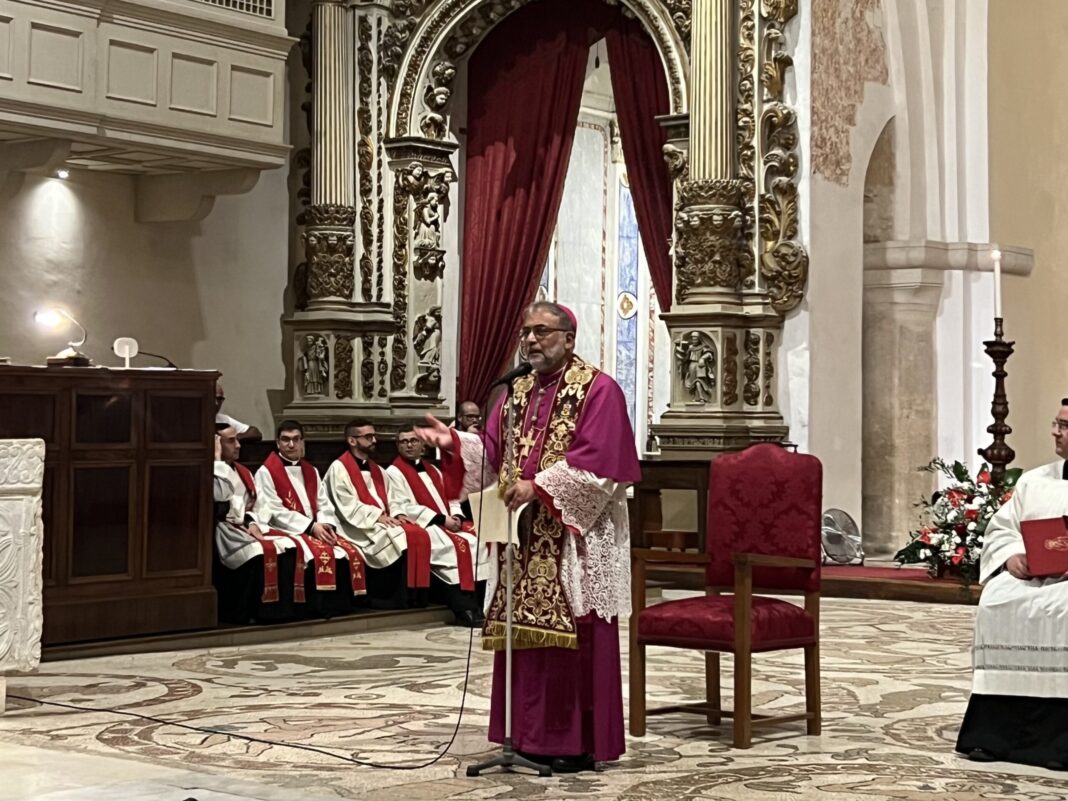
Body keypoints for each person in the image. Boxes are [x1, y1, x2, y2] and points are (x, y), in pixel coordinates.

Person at [416, 300, 641, 773]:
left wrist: (538, 486)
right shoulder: (515, 391)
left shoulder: (598, 389)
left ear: (569, 338)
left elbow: (602, 464)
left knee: (575, 639)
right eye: (526, 332)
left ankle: (574, 743)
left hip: (574, 540)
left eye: (542, 331)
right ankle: (526, 737)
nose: (531, 340)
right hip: (520, 536)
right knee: (523, 640)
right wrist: (454, 443)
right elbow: (492, 452)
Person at [956, 398, 1068, 769]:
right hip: (1032, 575)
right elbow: (1003, 528)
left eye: (1065, 426)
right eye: (1056, 423)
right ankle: (994, 736)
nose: (1055, 432)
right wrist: (1011, 556)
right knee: (998, 599)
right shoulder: (1035, 480)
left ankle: (1058, 744)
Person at [255, 419, 366, 617]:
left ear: (302, 442)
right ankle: (312, 609)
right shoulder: (266, 472)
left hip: (315, 526)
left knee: (345, 552)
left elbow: (324, 503)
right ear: (277, 443)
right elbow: (273, 510)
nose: (291, 445)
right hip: (287, 528)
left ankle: (336, 607)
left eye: (296, 439)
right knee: (310, 554)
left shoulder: (311, 470)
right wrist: (310, 527)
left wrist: (325, 524)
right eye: (285, 440)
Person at [324, 419, 433, 611]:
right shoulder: (338, 468)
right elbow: (346, 505)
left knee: (416, 532)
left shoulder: (378, 470)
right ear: (352, 440)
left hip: (379, 521)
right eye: (368, 437)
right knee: (398, 536)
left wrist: (398, 513)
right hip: (354, 525)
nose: (374, 440)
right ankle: (389, 597)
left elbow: (393, 498)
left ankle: (415, 596)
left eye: (374, 436)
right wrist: (377, 516)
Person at [387, 427, 488, 626]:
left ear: (423, 445)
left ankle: (480, 606)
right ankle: (463, 609)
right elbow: (401, 505)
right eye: (404, 442)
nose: (409, 445)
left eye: (414, 441)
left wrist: (456, 515)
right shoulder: (393, 472)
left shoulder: (433, 469)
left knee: (479, 543)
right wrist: (441, 519)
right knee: (450, 550)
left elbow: (452, 495)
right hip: (425, 524)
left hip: (447, 521)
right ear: (397, 446)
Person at [212, 425, 301, 623]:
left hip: (248, 526)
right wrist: (216, 460)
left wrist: (252, 521)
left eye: (238, 440)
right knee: (257, 553)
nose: (238, 445)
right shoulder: (211, 470)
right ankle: (246, 613)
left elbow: (260, 505)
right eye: (231, 441)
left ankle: (279, 612)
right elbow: (221, 495)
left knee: (288, 546)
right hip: (223, 530)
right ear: (216, 444)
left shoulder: (243, 472)